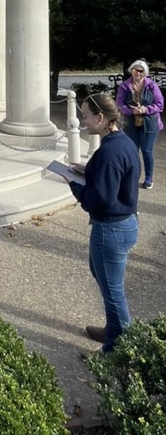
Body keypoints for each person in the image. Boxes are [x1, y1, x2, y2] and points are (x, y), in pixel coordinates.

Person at [68, 94, 140, 352]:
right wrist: (87, 170)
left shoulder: (110, 151)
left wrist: (74, 186)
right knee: (105, 279)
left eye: (86, 115)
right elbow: (112, 179)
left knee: (113, 291)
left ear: (101, 118)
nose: (83, 121)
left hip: (112, 228)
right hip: (122, 224)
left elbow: (100, 200)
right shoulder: (122, 141)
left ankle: (117, 351)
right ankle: (114, 330)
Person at [116, 59, 164, 189]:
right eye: (135, 70)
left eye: (141, 71)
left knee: (147, 151)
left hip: (150, 124)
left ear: (145, 72)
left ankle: (149, 178)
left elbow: (160, 104)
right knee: (132, 151)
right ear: (131, 71)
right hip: (130, 124)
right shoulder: (124, 86)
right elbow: (119, 104)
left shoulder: (152, 85)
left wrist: (146, 109)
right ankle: (132, 177)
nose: (138, 73)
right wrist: (131, 110)